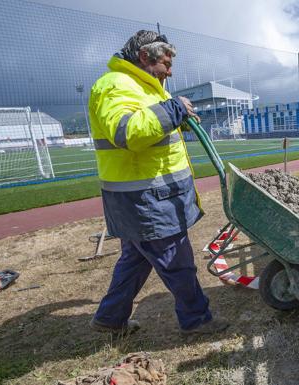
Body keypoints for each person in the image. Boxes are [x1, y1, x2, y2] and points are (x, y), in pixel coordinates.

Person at [88, 30, 228, 336]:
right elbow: (127, 133)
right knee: (178, 263)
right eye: (165, 63)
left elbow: (153, 129)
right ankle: (197, 320)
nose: (170, 70)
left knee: (135, 260)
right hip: (145, 198)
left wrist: (177, 117)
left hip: (145, 196)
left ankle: (110, 318)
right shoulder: (116, 85)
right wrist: (173, 109)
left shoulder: (148, 88)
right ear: (144, 57)